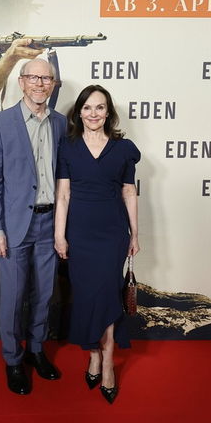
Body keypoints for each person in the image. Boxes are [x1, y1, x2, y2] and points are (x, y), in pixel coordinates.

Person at [0, 58, 67, 395]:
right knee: (13, 299)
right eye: (34, 77)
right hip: (15, 226)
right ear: (21, 81)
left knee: (44, 295)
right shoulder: (0, 123)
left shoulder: (60, 124)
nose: (40, 83)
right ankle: (13, 359)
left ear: (52, 84)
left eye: (47, 78)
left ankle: (35, 350)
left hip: (49, 224)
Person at [54, 85, 140, 405]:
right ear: (79, 112)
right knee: (88, 298)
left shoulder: (124, 148)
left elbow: (129, 193)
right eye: (87, 108)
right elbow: (63, 195)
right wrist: (59, 235)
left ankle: (106, 363)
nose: (93, 114)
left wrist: (134, 234)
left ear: (108, 112)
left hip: (112, 234)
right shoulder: (68, 146)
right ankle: (93, 353)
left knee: (106, 297)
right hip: (79, 234)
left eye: (100, 108)